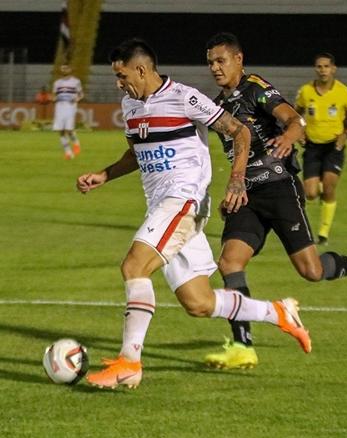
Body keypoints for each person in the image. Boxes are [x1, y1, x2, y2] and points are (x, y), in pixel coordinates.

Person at [76, 38, 312, 390]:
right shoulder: (130, 105)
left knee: (133, 267)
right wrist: (104, 175)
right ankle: (277, 312)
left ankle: (129, 362)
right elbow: (136, 152)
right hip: (162, 205)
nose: (119, 83)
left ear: (141, 69)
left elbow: (239, 130)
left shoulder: (185, 98)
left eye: (122, 75)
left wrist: (236, 180)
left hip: (183, 201)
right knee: (198, 302)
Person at [203, 32, 347, 370]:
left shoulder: (255, 87)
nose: (215, 68)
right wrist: (233, 188)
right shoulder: (218, 106)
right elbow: (235, 154)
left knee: (311, 271)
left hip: (279, 188)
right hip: (248, 195)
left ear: (238, 59)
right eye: (211, 62)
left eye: (221, 60)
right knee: (229, 262)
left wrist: (289, 136)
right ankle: (242, 345)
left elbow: (295, 119)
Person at [294, 53, 347, 246]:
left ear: (333, 69)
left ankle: (323, 234)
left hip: (334, 146)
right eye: (319, 66)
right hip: (312, 147)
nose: (323, 70)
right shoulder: (305, 91)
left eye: (326, 66)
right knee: (309, 193)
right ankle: (318, 189)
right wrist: (299, 131)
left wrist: (346, 134)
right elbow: (295, 115)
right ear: (315, 69)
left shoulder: (344, 92)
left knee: (329, 187)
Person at [52, 64, 83, 160]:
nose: (64, 69)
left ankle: (76, 143)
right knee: (60, 131)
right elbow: (54, 95)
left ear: (70, 69)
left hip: (70, 107)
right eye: (62, 68)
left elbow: (81, 94)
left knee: (69, 130)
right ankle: (68, 152)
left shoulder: (75, 82)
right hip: (59, 107)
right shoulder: (57, 83)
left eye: (66, 68)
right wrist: (53, 99)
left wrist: (76, 99)